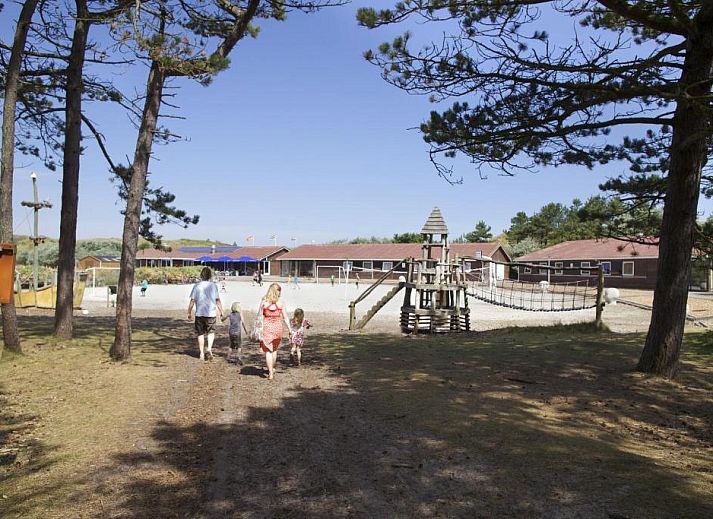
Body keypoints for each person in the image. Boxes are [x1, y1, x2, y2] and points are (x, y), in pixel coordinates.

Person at [188, 267, 224, 361]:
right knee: (211, 332)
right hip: (211, 313)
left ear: (201, 275)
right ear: (210, 275)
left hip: (199, 313)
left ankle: (201, 354)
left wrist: (189, 312)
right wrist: (221, 311)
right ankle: (209, 349)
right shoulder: (213, 286)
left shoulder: (197, 286)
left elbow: (192, 300)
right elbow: (217, 300)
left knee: (200, 333)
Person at [257, 283, 291, 380]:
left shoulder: (264, 301)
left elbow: (259, 315)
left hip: (267, 327)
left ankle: (270, 372)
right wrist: (290, 329)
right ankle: (272, 368)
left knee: (268, 351)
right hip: (278, 328)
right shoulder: (281, 303)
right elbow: (285, 318)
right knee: (274, 349)